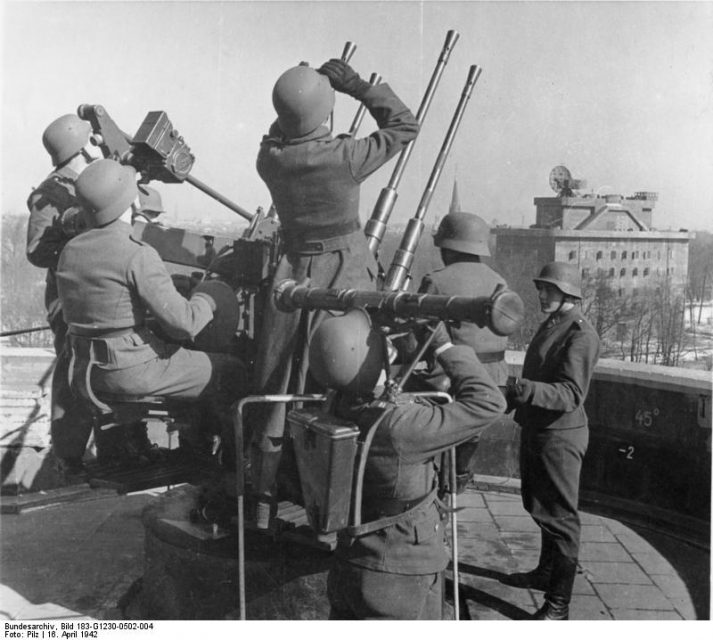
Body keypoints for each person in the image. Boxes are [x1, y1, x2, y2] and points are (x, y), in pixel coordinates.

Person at [250, 58, 419, 526]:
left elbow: (282, 130)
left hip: (293, 272)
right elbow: (406, 125)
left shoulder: (271, 160)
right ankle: (354, 493)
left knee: (281, 385)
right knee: (352, 378)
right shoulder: (344, 157)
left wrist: (304, 98)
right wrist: (356, 86)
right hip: (346, 272)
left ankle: (264, 499)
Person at [307, 309, 506, 619]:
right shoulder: (402, 426)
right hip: (401, 572)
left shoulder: (334, 405)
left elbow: (359, 376)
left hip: (353, 560)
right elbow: (489, 401)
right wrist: (443, 346)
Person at [55, 159, 246, 472]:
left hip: (85, 371)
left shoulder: (71, 250)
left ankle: (191, 452)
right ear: (129, 203)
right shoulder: (137, 253)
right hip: (131, 372)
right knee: (231, 371)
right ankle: (228, 471)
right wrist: (209, 297)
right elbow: (184, 323)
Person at [505, 262, 600, 620]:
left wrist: (524, 389)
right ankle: (546, 572)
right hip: (541, 431)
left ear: (568, 293)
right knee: (539, 505)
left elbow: (570, 393)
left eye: (548, 288)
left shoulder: (580, 334)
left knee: (561, 519)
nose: (541, 294)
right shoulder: (554, 324)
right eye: (541, 287)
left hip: (560, 437)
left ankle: (558, 605)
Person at [26, 113, 102, 479]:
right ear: (81, 147)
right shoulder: (51, 193)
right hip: (69, 298)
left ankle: (116, 447)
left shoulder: (91, 182)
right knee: (73, 372)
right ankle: (69, 453)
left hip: (98, 290)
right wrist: (69, 223)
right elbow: (37, 252)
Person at [414, 211, 510, 491]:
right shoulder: (498, 281)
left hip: (452, 380)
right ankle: (457, 478)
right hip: (494, 382)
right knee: (467, 440)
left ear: (448, 248)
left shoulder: (437, 280)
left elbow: (424, 332)